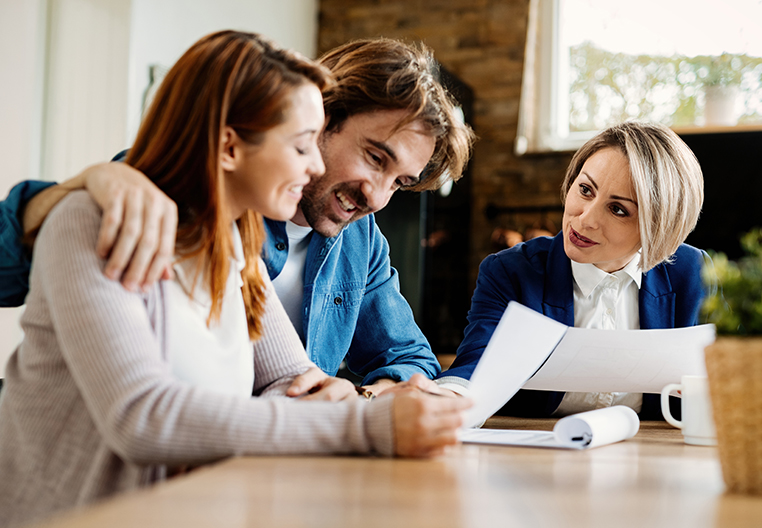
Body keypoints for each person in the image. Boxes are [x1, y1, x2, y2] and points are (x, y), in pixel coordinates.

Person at [0, 31, 471, 528]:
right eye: (302, 144)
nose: (377, 198)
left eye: (399, 183)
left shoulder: (235, 242)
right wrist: (361, 423)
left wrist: (334, 404)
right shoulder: (115, 212)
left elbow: (292, 379)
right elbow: (141, 416)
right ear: (230, 146)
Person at [436, 122, 706, 419]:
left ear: (658, 227)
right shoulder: (510, 272)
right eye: (586, 190)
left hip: (656, 446)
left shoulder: (694, 275)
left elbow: (726, 378)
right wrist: (443, 401)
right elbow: (476, 365)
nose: (585, 219)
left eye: (618, 209)